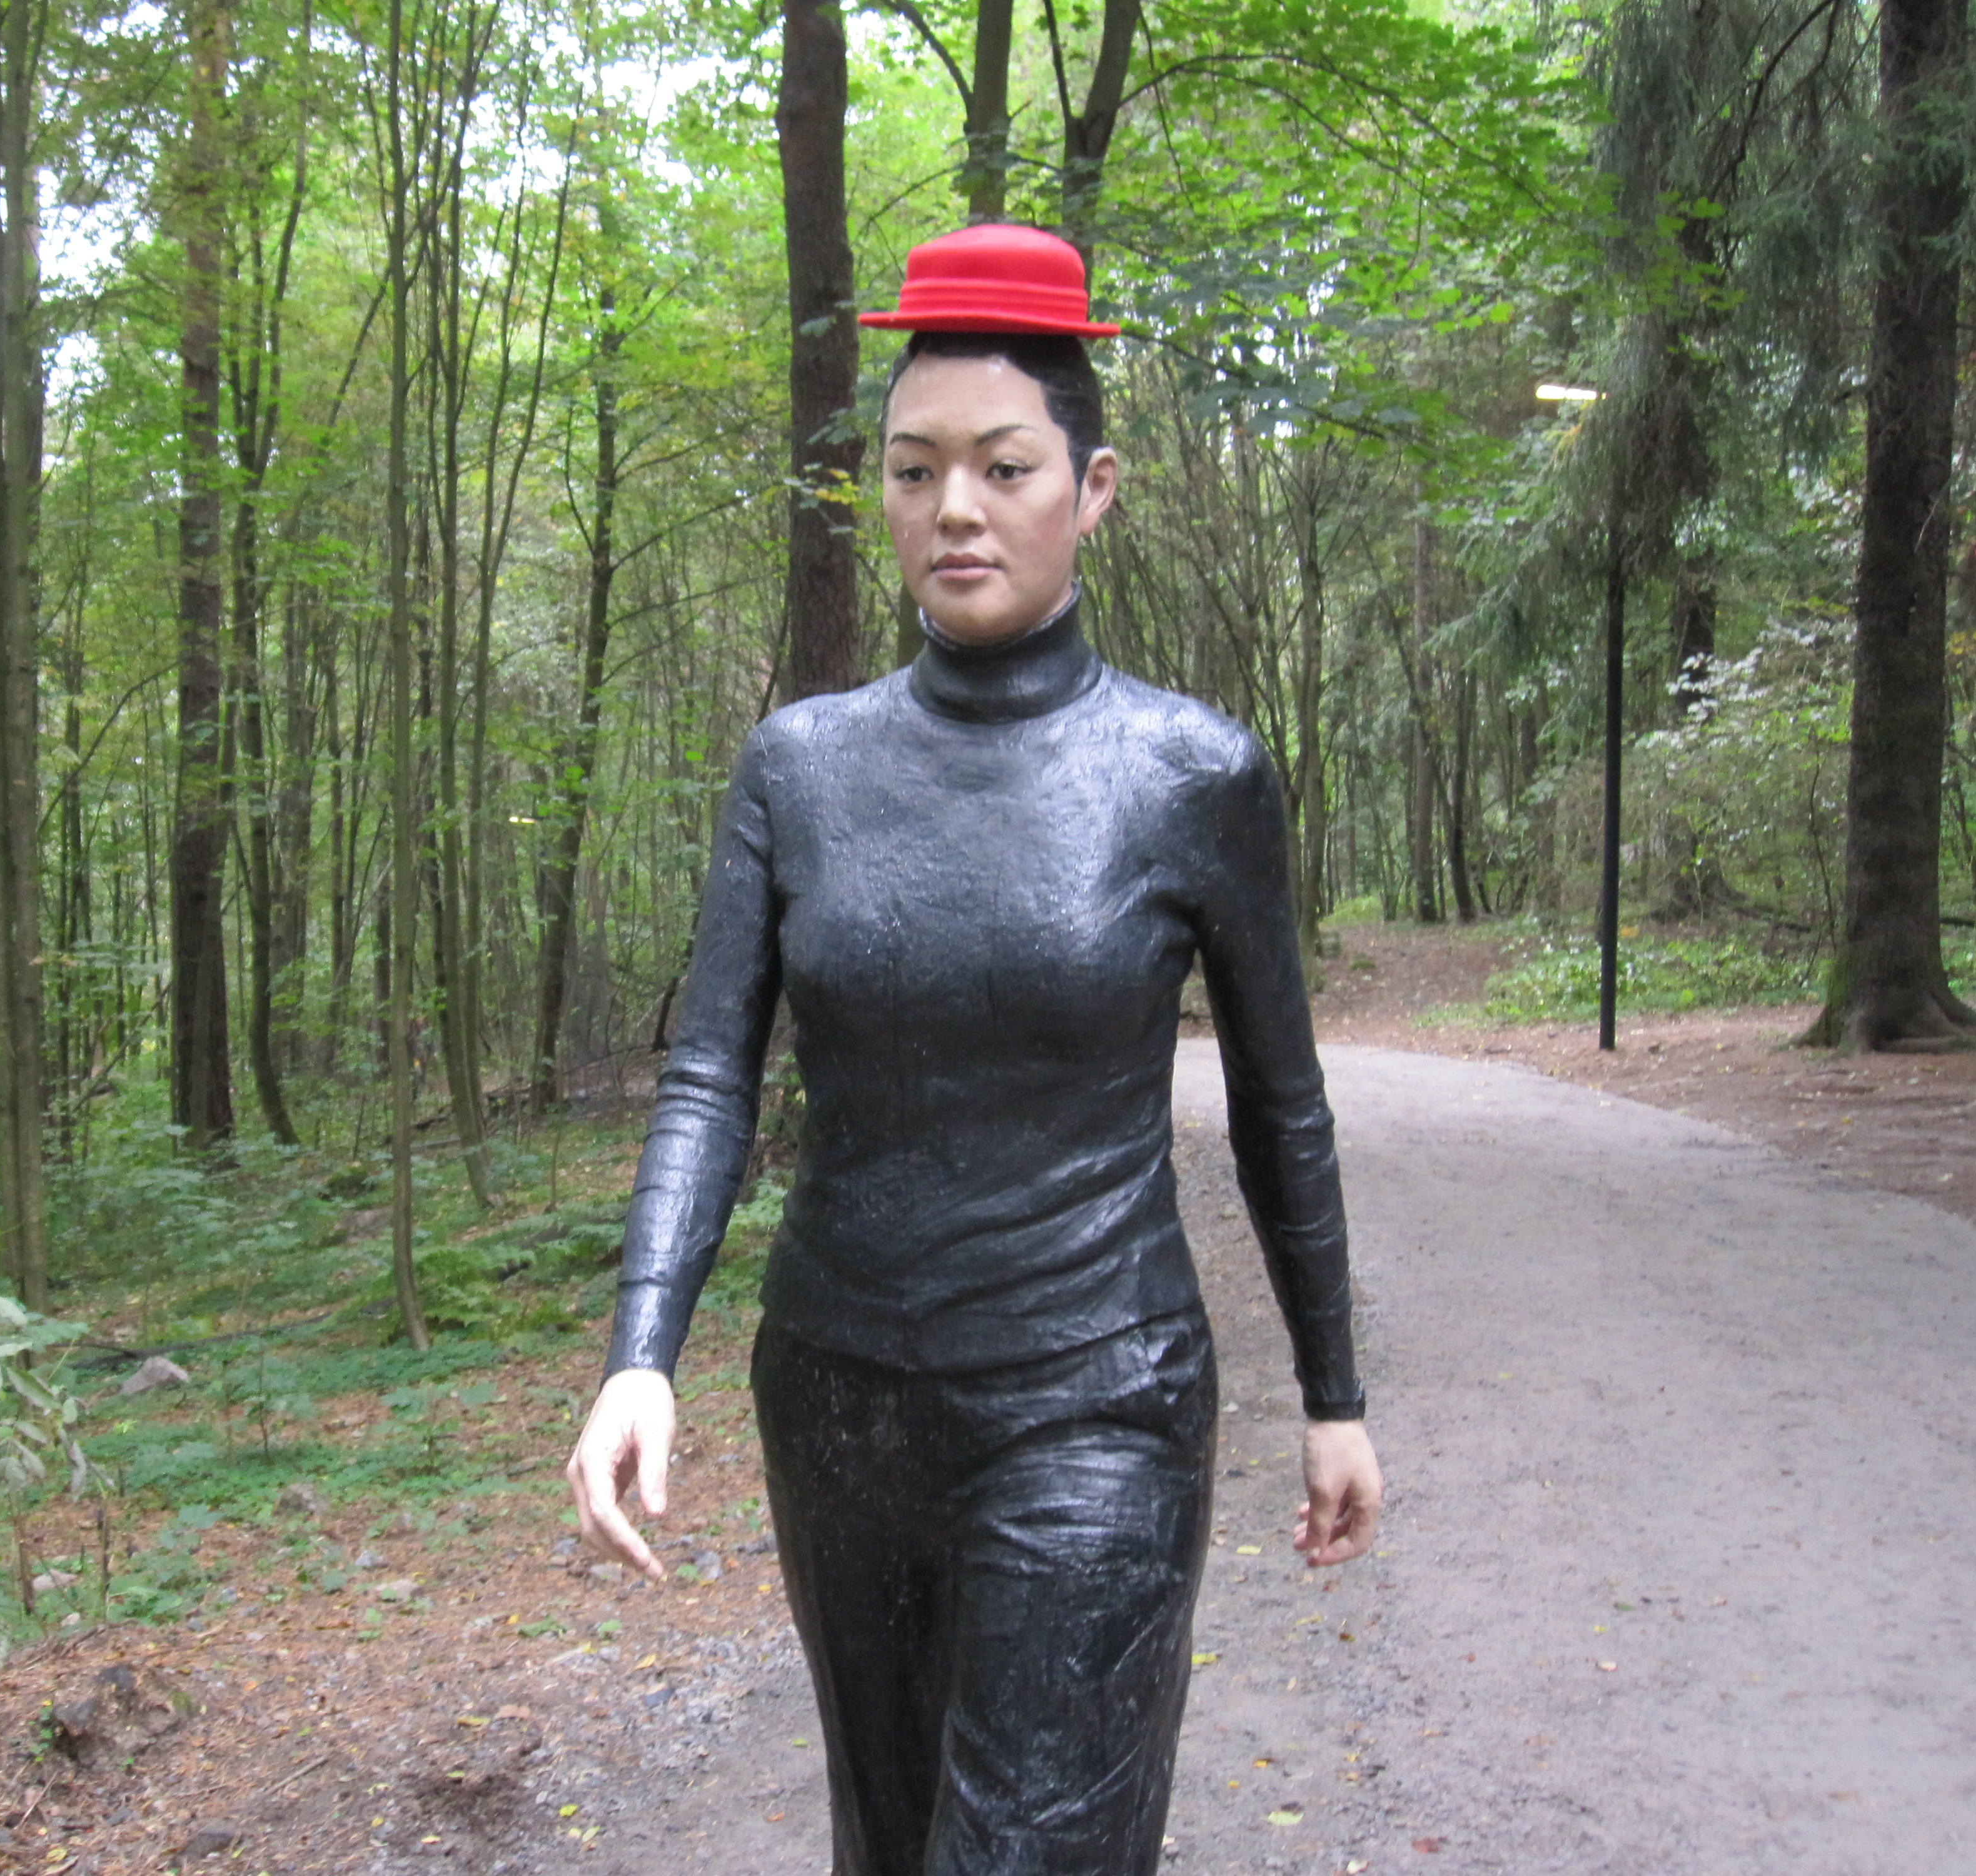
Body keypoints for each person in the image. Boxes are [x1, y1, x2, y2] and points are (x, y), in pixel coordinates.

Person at [565, 222, 1383, 1876]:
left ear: (1093, 489)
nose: (955, 507)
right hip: (839, 1399)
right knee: (891, 1839)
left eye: (1004, 467)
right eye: (914, 467)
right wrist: (641, 1349)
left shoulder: (1190, 772)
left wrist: (1334, 1395)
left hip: (1099, 1394)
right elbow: (712, 1072)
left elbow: (1282, 1104)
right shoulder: (800, 768)